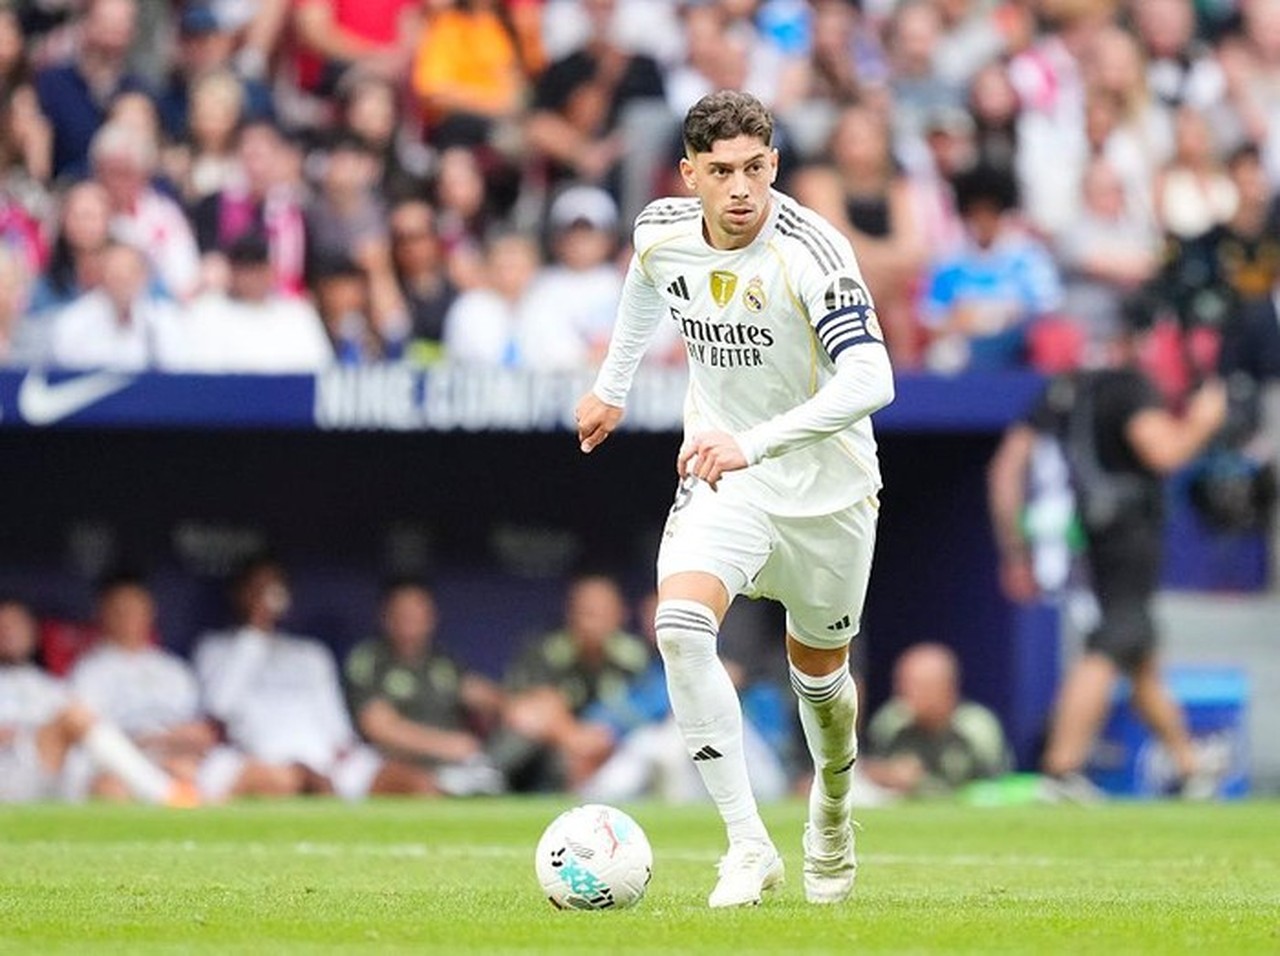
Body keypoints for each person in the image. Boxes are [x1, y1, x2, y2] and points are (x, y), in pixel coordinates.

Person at [574, 90, 894, 907]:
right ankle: (748, 845)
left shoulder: (813, 254)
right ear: (691, 176)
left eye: (756, 168)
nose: (742, 188)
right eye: (721, 172)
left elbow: (872, 379)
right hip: (727, 479)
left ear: (775, 164)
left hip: (830, 495)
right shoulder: (660, 230)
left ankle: (831, 806)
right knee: (679, 628)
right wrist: (613, 387)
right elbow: (647, 279)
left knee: (821, 685)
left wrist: (750, 442)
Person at [987, 309, 1229, 800]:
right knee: (1112, 641)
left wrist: (1015, 546)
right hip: (1131, 531)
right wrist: (1203, 422)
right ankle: (1061, 769)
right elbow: (1164, 452)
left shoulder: (1068, 390)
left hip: (1096, 532)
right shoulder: (1129, 386)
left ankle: (1187, 766)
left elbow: (1007, 465)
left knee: (1138, 652)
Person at [193, 555, 435, 799]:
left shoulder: (310, 653)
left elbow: (335, 723)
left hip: (326, 763)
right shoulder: (216, 648)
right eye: (257, 588)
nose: (267, 595)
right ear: (240, 594)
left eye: (274, 587)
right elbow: (218, 708)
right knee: (282, 781)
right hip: (262, 761)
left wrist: (339, 754)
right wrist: (256, 629)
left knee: (416, 783)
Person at [0, 596, 197, 806]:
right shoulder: (91, 668)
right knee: (73, 718)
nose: (9, 633)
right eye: (2, 627)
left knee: (109, 780)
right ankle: (165, 793)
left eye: (16, 625)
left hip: (42, 774)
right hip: (6, 769)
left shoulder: (47, 685)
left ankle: (164, 793)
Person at [67, 574, 224, 800]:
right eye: (120, 611)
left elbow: (202, 731)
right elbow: (86, 735)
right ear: (103, 614)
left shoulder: (174, 670)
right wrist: (151, 743)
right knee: (110, 788)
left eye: (136, 609)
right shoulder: (89, 670)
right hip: (125, 761)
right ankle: (172, 797)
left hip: (180, 756)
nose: (129, 618)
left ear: (150, 613)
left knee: (204, 775)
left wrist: (178, 743)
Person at [342, 580, 505, 795]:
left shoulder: (443, 662)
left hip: (454, 766)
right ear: (386, 617)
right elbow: (378, 726)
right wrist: (447, 746)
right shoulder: (369, 659)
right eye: (403, 613)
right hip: (390, 763)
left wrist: (512, 707)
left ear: (431, 617)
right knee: (420, 785)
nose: (411, 621)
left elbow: (483, 695)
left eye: (418, 612)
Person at [493, 573, 650, 793]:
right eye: (586, 612)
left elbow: (653, 713)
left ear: (620, 614)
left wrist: (606, 738)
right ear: (571, 614)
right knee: (527, 738)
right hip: (559, 749)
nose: (593, 621)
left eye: (602, 612)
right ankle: (486, 780)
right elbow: (523, 710)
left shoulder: (637, 657)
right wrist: (573, 737)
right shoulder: (548, 651)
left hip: (618, 750)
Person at [861, 642, 1011, 797]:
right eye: (901, 683)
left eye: (918, 685)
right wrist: (888, 774)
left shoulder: (977, 727)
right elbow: (867, 770)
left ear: (947, 687)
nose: (904, 692)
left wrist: (920, 783)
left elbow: (998, 786)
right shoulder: (890, 721)